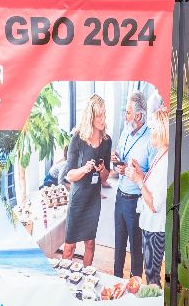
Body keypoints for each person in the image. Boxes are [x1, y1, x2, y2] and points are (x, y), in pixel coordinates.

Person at [61, 95, 111, 267]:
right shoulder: (77, 139)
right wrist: (84, 169)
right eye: (99, 116)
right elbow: (69, 175)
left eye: (104, 114)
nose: (103, 119)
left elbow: (105, 177)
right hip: (78, 200)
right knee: (70, 246)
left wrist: (102, 170)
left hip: (93, 200)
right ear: (91, 117)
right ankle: (65, 278)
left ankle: (86, 276)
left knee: (90, 243)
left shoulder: (107, 141)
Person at [111, 90, 151, 280]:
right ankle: (116, 279)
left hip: (137, 202)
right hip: (120, 196)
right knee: (119, 243)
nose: (125, 116)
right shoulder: (125, 131)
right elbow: (119, 157)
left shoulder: (151, 139)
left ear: (139, 115)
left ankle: (135, 284)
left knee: (136, 247)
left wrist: (137, 174)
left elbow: (153, 175)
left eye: (128, 113)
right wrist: (116, 162)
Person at [137, 106, 170, 286]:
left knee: (152, 275)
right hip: (150, 225)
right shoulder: (160, 155)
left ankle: (154, 302)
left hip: (155, 228)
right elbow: (152, 186)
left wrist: (138, 181)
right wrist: (140, 175)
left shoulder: (165, 162)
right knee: (150, 272)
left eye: (153, 128)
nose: (150, 132)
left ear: (162, 130)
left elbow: (155, 204)